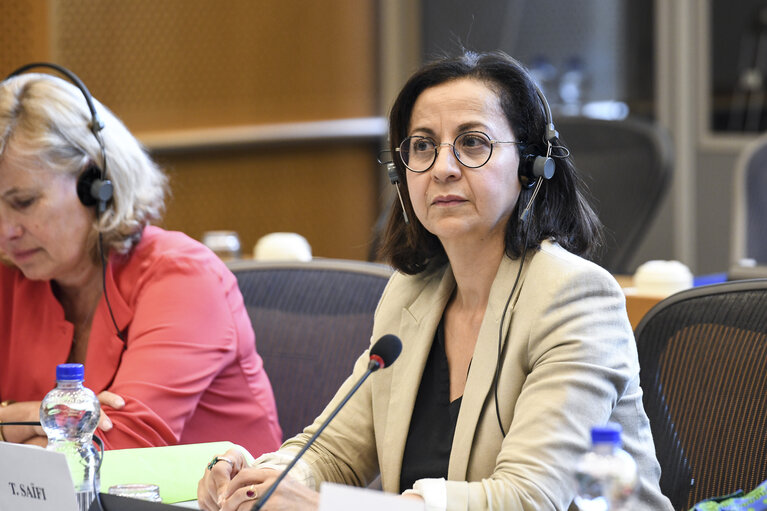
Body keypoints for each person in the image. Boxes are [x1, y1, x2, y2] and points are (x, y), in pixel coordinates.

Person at [197, 50, 673, 510]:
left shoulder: (575, 298)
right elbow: (333, 452)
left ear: (531, 167)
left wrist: (326, 508)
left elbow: (529, 498)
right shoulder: (411, 294)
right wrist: (266, 475)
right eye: (423, 146)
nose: (443, 168)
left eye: (472, 143)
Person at [0, 67, 282, 455]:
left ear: (95, 183)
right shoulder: (11, 275)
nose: (5, 231)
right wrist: (23, 417)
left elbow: (115, 451)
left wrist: (8, 425)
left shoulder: (183, 277)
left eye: (23, 202)